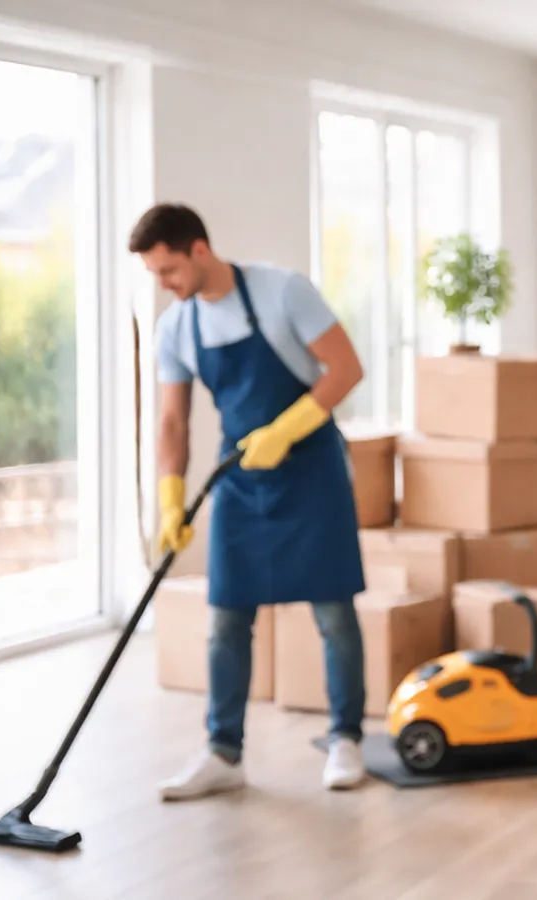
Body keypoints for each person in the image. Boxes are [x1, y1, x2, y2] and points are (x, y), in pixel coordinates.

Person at [131, 204, 371, 800]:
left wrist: (287, 430)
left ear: (199, 251)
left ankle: (346, 740)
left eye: (168, 271)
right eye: (155, 275)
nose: (164, 286)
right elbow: (172, 421)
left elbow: (345, 369)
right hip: (239, 479)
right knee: (225, 621)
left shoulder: (281, 291)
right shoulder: (177, 328)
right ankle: (223, 752)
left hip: (311, 469)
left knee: (334, 614)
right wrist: (169, 501)